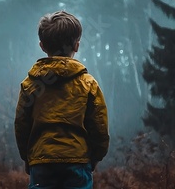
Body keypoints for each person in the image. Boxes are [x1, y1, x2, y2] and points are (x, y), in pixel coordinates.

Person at [14, 10, 110, 189]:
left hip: (41, 162)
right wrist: (96, 156)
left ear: (42, 45)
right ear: (77, 46)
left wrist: (27, 157)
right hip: (77, 161)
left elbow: (21, 125)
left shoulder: (30, 85)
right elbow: (99, 125)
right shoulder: (87, 83)